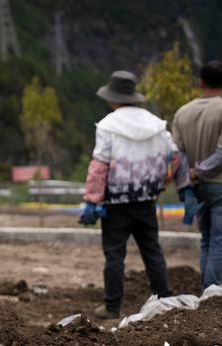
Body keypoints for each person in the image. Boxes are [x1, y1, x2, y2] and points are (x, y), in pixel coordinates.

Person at [80, 70, 196, 319]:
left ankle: (112, 306)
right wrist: (177, 185)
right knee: (151, 249)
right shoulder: (155, 124)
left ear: (112, 99)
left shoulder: (107, 125)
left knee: (114, 254)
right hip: (146, 199)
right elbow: (176, 158)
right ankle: (164, 298)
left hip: (116, 202)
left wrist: (92, 199)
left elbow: (99, 165)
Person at [173, 61, 222, 290]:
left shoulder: (182, 112)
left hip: (197, 187)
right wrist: (199, 170)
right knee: (220, 242)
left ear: (200, 82)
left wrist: (188, 178)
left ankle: (206, 289)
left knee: (206, 240)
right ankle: (211, 292)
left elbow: (177, 153)